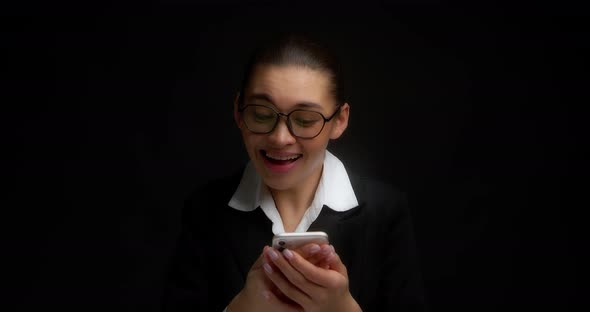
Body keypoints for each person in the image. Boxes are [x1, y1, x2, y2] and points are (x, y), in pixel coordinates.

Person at [162, 32, 427, 311]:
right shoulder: (204, 210)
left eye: (305, 119)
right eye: (262, 114)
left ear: (339, 120)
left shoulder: (385, 212)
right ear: (239, 112)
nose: (280, 138)